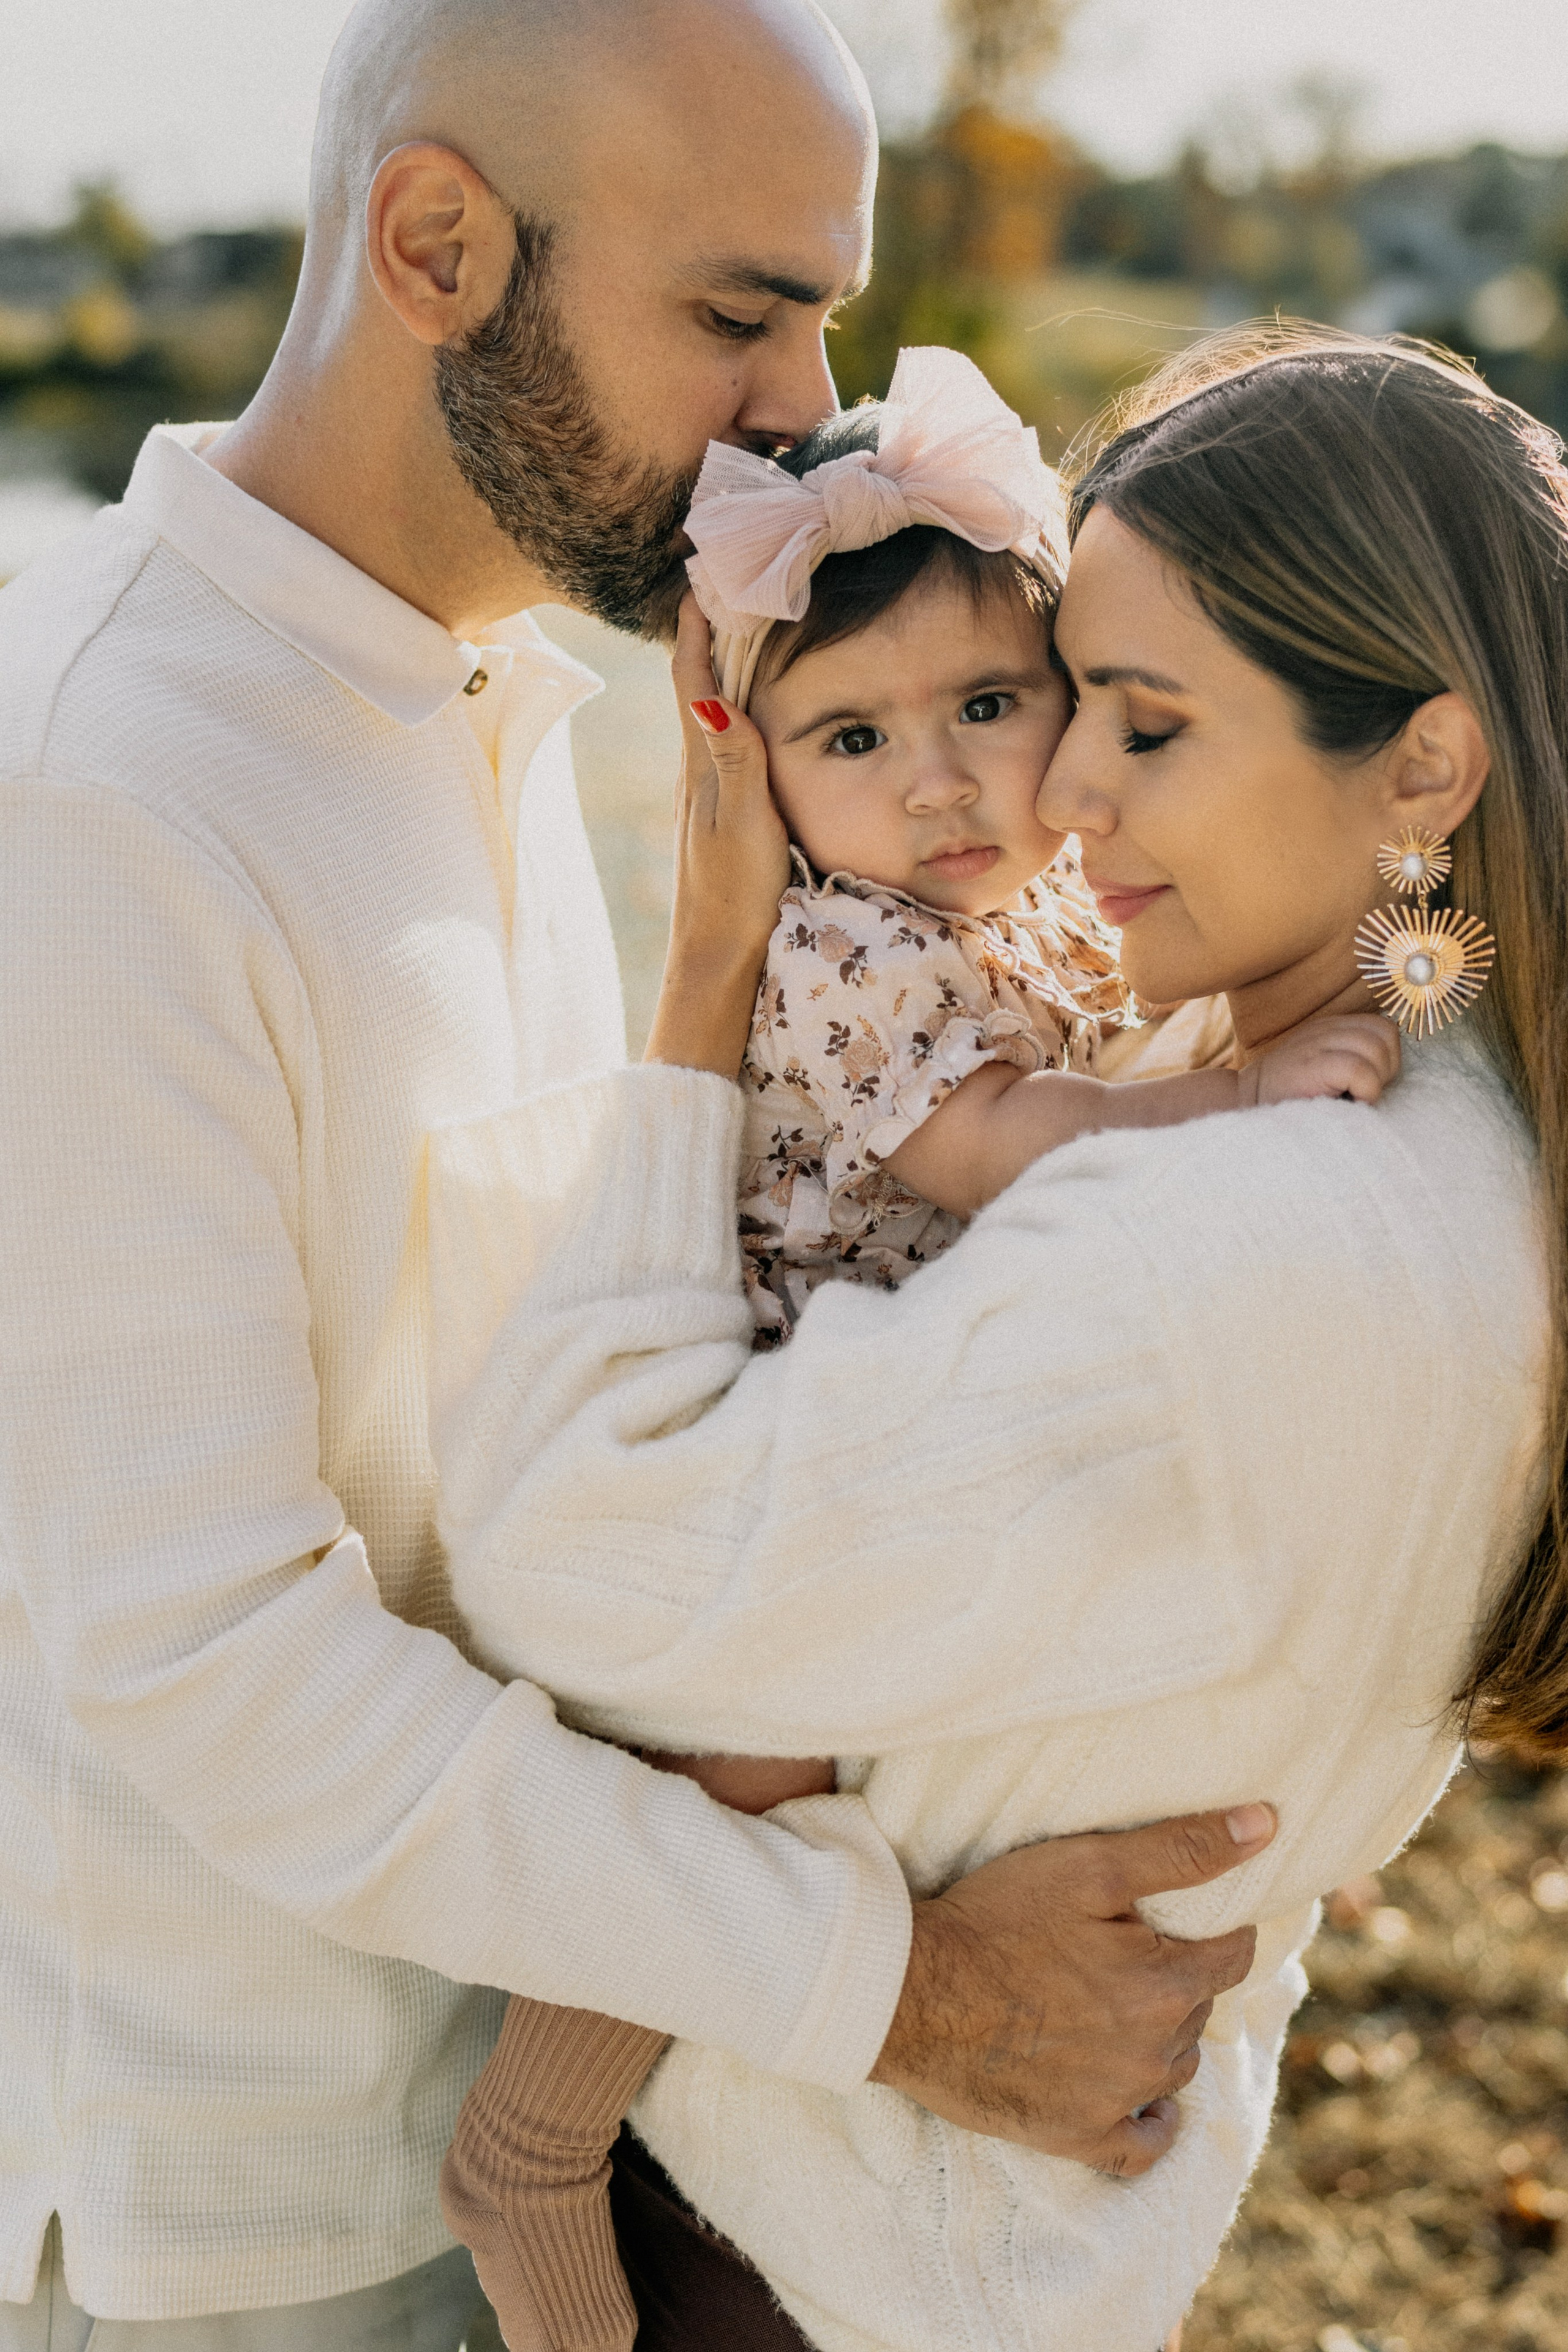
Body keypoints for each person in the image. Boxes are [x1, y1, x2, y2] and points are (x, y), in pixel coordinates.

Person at [0, 1, 1270, 2343]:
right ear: (436, 244)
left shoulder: (507, 708)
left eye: (825, 313)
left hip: (544, 2117)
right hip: (255, 2234)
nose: (806, 404)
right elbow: (204, 1655)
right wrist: (906, 1992)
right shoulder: (100, 792)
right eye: (736, 313)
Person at [423, 323, 1559, 2351]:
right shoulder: (1462, 1123)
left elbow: (561, 1561)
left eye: (1131, 719)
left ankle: (523, 2135)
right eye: (1083, 709)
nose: (1057, 787)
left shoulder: (1226, 1233)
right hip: (1038, 2222)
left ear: (1424, 761)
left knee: (707, 1768)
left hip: (817, 2249)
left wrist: (699, 985)